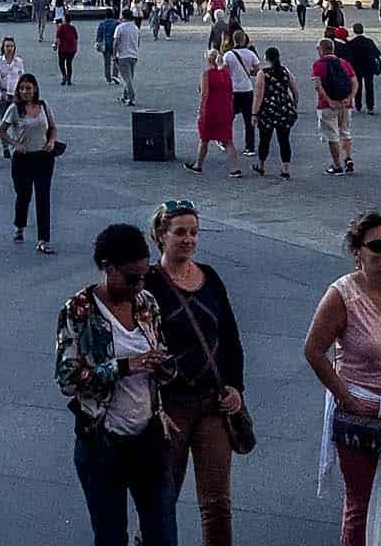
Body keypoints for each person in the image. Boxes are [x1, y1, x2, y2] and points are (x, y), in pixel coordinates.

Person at [303, 211, 381, 546]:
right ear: (357, 252)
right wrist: (345, 396)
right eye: (377, 245)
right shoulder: (342, 295)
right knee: (359, 502)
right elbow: (314, 350)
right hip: (362, 412)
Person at [56, 222, 178, 546]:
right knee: (111, 536)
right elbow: (67, 378)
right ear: (106, 267)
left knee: (163, 535)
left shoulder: (146, 303)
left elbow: (160, 351)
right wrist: (124, 367)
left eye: (144, 275)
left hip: (149, 438)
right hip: (102, 443)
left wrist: (164, 366)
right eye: (131, 277)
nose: (140, 284)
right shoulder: (78, 311)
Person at [147, 201, 245, 546]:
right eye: (180, 232)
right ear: (161, 236)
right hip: (169, 407)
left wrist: (235, 387)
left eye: (193, 232)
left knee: (217, 504)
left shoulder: (210, 277)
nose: (188, 240)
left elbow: (230, 337)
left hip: (211, 404)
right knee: (162, 500)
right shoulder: (148, 283)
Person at [0, 73, 58, 252]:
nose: (25, 92)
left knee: (43, 197)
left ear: (35, 89)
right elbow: (1, 131)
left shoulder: (43, 106)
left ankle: (43, 239)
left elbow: (53, 127)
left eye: (28, 88)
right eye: (22, 88)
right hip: (22, 159)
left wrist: (51, 141)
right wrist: (15, 144)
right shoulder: (14, 109)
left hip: (43, 157)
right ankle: (20, 224)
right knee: (23, 194)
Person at [186, 48, 239, 177]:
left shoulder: (206, 74)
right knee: (227, 140)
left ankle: (198, 164)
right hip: (225, 109)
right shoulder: (226, 74)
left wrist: (201, 110)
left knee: (204, 138)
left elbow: (204, 94)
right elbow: (231, 92)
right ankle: (235, 168)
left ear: (209, 59)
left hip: (210, 109)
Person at [251, 46, 299, 179]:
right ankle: (286, 168)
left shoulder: (263, 73)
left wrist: (254, 113)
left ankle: (261, 165)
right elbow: (294, 88)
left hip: (268, 109)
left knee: (264, 139)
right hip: (284, 108)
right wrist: (294, 104)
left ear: (266, 58)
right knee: (284, 139)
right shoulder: (285, 71)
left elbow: (258, 95)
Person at [313, 36, 356, 175]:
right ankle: (348, 158)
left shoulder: (319, 65)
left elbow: (318, 86)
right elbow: (355, 82)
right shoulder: (344, 63)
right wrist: (349, 98)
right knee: (345, 131)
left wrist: (329, 100)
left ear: (321, 50)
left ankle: (337, 165)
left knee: (332, 135)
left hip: (327, 105)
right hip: (346, 103)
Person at [224, 29, 259, 155]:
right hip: (246, 89)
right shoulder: (250, 54)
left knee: (228, 117)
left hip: (233, 90)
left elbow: (225, 72)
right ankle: (250, 146)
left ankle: (226, 141)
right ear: (244, 40)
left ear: (233, 40)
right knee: (248, 119)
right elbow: (257, 70)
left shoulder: (228, 55)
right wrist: (249, 72)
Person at [345, 22, 381, 116]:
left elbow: (348, 56)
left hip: (356, 67)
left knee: (358, 86)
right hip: (368, 67)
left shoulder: (351, 43)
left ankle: (358, 105)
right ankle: (370, 107)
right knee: (369, 87)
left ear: (354, 31)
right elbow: (377, 53)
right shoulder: (369, 41)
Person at [113, 9, 141, 106]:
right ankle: (125, 96)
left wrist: (114, 54)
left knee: (126, 78)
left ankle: (131, 97)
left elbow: (116, 42)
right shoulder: (135, 28)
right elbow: (138, 42)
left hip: (123, 55)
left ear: (123, 16)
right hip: (134, 55)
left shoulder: (120, 28)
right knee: (129, 77)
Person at [96, 8, 119, 85]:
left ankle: (108, 78)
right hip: (114, 43)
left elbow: (99, 35)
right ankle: (115, 75)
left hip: (105, 44)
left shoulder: (102, 24)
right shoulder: (116, 23)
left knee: (107, 62)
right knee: (115, 60)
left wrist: (98, 42)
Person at [55, 12, 79, 85]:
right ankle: (69, 78)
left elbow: (58, 37)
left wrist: (56, 45)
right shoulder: (73, 28)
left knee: (61, 63)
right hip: (72, 48)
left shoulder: (61, 27)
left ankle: (64, 75)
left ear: (64, 19)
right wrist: (75, 48)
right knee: (69, 64)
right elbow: (76, 38)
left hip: (62, 48)